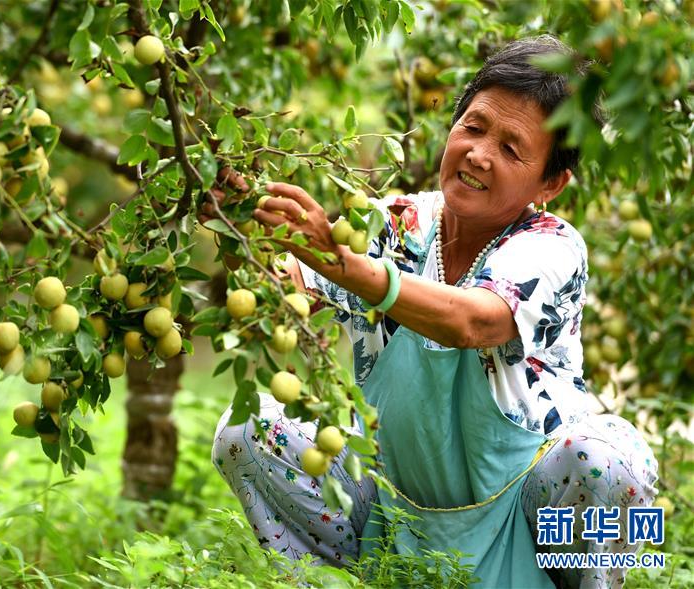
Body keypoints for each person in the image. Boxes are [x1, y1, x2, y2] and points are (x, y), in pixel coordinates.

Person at [211, 36, 658, 589]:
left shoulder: (553, 246)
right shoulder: (398, 224)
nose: (478, 153)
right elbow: (291, 279)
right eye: (473, 127)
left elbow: (476, 320)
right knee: (246, 432)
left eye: (512, 149)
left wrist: (340, 264)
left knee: (609, 458)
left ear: (551, 183)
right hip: (391, 509)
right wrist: (240, 219)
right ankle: (336, 581)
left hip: (530, 519)